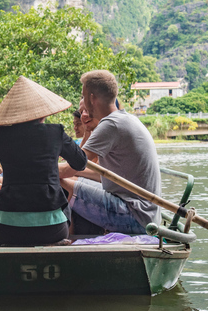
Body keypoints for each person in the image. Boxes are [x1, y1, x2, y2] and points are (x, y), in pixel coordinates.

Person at [0, 76, 87, 246]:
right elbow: (80, 163)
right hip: (54, 230)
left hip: (8, 230)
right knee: (65, 205)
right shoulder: (55, 132)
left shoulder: (0, 135)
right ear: (43, 112)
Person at [59, 70, 161, 234]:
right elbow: (82, 169)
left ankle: (65, 240)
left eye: (84, 96)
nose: (83, 102)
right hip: (147, 214)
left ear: (92, 98)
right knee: (69, 178)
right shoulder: (123, 118)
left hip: (136, 217)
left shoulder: (111, 125)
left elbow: (71, 167)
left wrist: (31, 170)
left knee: (59, 182)